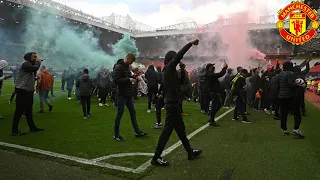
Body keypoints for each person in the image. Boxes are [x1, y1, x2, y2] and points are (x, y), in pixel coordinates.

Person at [151, 40, 202, 166]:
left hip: (175, 104)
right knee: (167, 132)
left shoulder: (171, 72)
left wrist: (183, 69)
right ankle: (156, 157)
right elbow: (179, 55)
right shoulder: (168, 69)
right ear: (171, 59)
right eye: (175, 58)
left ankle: (190, 152)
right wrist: (190, 44)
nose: (177, 60)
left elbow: (182, 83)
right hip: (172, 105)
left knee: (181, 130)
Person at [112, 53, 148, 141]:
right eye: (131, 61)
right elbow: (115, 80)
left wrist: (134, 76)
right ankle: (116, 135)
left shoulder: (127, 67)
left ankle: (137, 131)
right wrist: (128, 79)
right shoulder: (119, 67)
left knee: (133, 112)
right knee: (119, 114)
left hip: (128, 94)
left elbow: (127, 77)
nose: (131, 64)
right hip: (121, 94)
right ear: (127, 58)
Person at [12, 52, 44, 136]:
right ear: (29, 57)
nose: (36, 58)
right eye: (34, 57)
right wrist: (38, 62)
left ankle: (32, 127)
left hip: (28, 91)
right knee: (19, 111)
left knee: (29, 110)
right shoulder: (26, 64)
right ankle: (14, 130)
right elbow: (34, 68)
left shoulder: (30, 66)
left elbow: (28, 77)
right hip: (22, 90)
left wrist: (36, 78)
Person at [278, 61, 304, 137]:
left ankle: (284, 130)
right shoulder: (291, 74)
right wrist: (299, 85)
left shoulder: (280, 74)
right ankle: (296, 129)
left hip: (282, 97)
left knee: (283, 114)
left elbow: (278, 85)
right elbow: (290, 84)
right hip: (291, 97)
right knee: (297, 113)